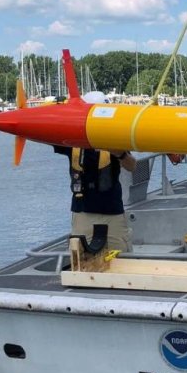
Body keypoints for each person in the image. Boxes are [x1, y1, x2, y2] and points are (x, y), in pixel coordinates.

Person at [54, 91, 136, 253]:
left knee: (122, 258)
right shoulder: (71, 138)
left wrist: (119, 153)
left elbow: (132, 166)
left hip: (112, 211)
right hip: (82, 212)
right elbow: (42, 135)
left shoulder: (115, 136)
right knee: (81, 260)